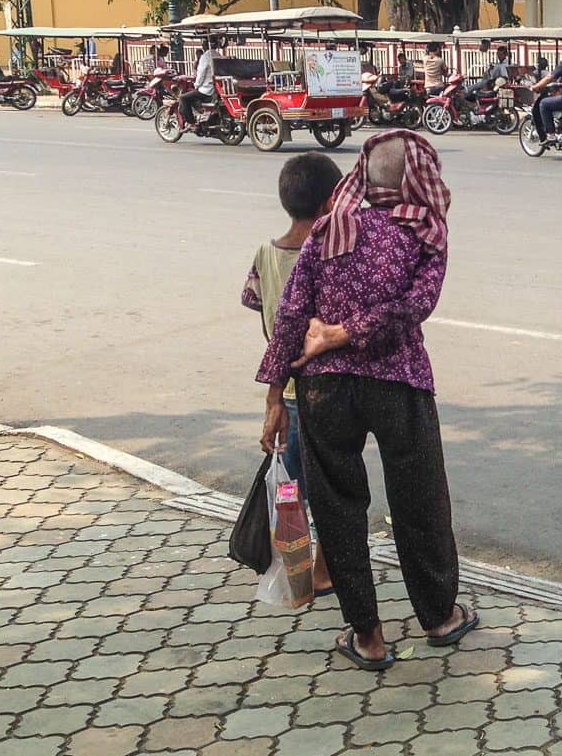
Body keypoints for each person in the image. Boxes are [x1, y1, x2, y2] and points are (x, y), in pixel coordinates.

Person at [257, 130, 477, 671]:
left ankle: (369, 638)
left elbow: (289, 314)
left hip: (324, 388)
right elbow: (415, 307)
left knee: (337, 508)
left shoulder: (330, 226)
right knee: (420, 499)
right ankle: (440, 618)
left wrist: (273, 397)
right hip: (398, 381)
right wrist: (349, 332)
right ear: (419, 175)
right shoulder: (425, 232)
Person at [242, 153, 342, 596]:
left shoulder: (265, 254)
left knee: (294, 487)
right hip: (326, 387)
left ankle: (297, 569)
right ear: (329, 204)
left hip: (288, 391)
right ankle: (321, 570)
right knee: (332, 484)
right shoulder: (329, 256)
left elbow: (257, 307)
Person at [179, 37, 222, 128]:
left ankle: (191, 123)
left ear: (205, 45)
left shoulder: (205, 56)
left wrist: (196, 85)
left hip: (206, 90)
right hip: (216, 89)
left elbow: (201, 73)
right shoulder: (218, 55)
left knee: (183, 98)